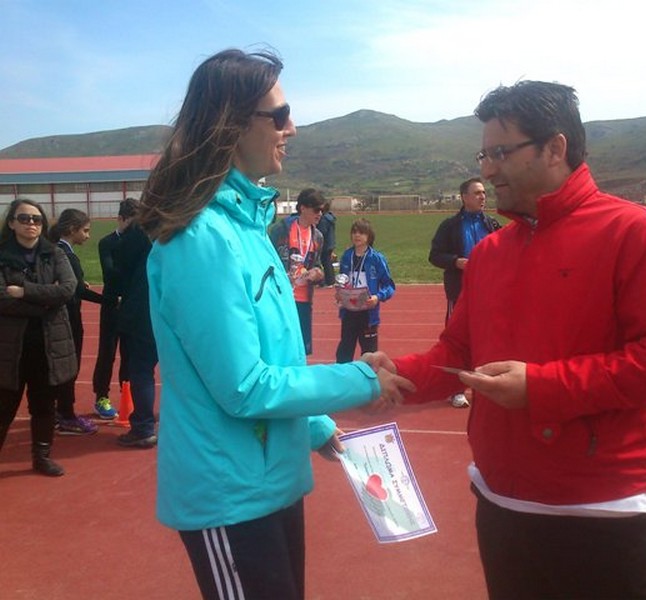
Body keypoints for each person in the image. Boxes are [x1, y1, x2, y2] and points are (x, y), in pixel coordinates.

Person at [376, 81, 646, 599]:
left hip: (604, 512)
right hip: (502, 506)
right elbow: (459, 354)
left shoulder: (634, 231)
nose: (487, 170)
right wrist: (397, 374)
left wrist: (541, 387)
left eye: (501, 153)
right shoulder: (490, 252)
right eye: (484, 155)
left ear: (555, 148)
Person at [136, 48, 412, 600]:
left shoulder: (248, 229)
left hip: (268, 481)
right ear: (232, 125)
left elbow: (275, 361)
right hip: (229, 492)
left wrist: (314, 427)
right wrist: (360, 379)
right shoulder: (202, 239)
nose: (293, 128)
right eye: (280, 115)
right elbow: (244, 386)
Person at [0, 199, 78, 476]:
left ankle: (41, 457)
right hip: (10, 348)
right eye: (24, 218)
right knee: (4, 407)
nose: (31, 223)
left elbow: (68, 289)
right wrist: (46, 302)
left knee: (44, 405)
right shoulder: (2, 255)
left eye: (36, 219)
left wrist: (25, 291)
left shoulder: (54, 254)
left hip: (48, 347)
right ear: (12, 223)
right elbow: (2, 299)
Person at [429, 176, 501, 407]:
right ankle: (455, 389)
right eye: (477, 193)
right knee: (457, 341)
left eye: (484, 192)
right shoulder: (450, 226)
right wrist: (456, 262)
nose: (483, 196)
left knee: (489, 339)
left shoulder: (492, 224)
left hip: (489, 292)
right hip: (460, 292)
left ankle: (487, 386)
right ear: (464, 197)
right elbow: (435, 256)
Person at [49, 209, 102, 435]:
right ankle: (66, 415)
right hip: (68, 319)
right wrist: (110, 301)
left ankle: (56, 412)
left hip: (58, 318)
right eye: (85, 230)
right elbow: (78, 290)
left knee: (59, 367)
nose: (88, 236)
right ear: (72, 229)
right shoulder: (66, 255)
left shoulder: (55, 250)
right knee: (69, 367)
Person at [113, 216, 158, 448]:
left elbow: (120, 262)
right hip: (175, 309)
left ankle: (143, 427)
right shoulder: (182, 226)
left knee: (141, 370)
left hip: (143, 312)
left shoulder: (141, 229)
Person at [91, 198, 138, 419]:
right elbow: (110, 273)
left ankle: (127, 395)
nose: (135, 228)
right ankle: (101, 396)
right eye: (132, 223)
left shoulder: (141, 242)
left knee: (130, 354)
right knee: (107, 353)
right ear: (121, 219)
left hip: (131, 305)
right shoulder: (107, 242)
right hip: (111, 304)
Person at [269, 188, 326, 355]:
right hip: (281, 297)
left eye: (322, 210)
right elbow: (267, 260)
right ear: (303, 208)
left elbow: (317, 265)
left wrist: (317, 273)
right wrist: (281, 276)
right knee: (280, 346)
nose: (320, 214)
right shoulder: (281, 230)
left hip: (304, 299)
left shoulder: (318, 237)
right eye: (316, 210)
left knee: (301, 349)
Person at [335, 218, 395, 363]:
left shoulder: (376, 259)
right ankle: (344, 376)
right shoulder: (347, 256)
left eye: (361, 232)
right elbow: (342, 280)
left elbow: (389, 286)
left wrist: (377, 297)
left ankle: (368, 377)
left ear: (369, 236)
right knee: (344, 353)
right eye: (354, 232)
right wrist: (339, 293)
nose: (357, 235)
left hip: (368, 313)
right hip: (349, 311)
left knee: (369, 354)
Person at [317, 201, 337, 286]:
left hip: (325, 244)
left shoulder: (324, 220)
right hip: (330, 243)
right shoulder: (330, 218)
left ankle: (329, 281)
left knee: (325, 262)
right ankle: (330, 280)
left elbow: (321, 232)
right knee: (327, 262)